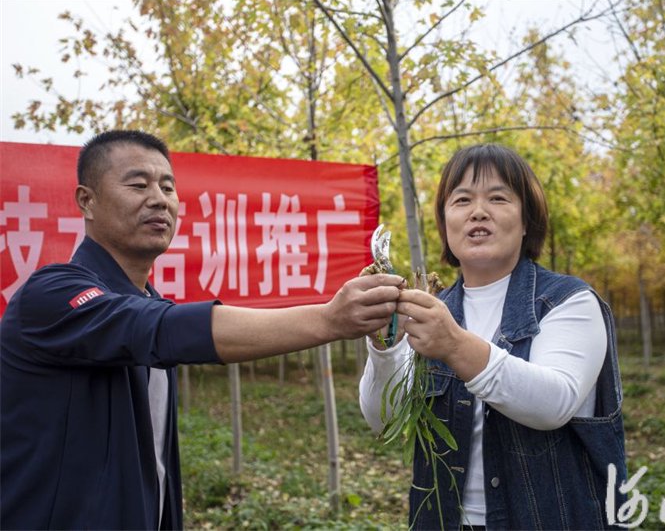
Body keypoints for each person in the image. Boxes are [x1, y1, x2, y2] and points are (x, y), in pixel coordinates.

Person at [0, 130, 404, 530]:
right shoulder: (50, 295)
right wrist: (329, 320)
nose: (159, 199)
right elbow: (160, 328)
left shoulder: (148, 303)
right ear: (87, 200)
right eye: (138, 184)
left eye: (168, 187)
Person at [359, 143, 627, 530]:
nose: (477, 211)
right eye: (462, 199)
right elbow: (385, 421)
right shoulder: (430, 307)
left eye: (498, 198)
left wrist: (453, 345)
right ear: (445, 222)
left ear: (525, 222)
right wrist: (385, 345)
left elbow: (554, 402)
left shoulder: (568, 302)